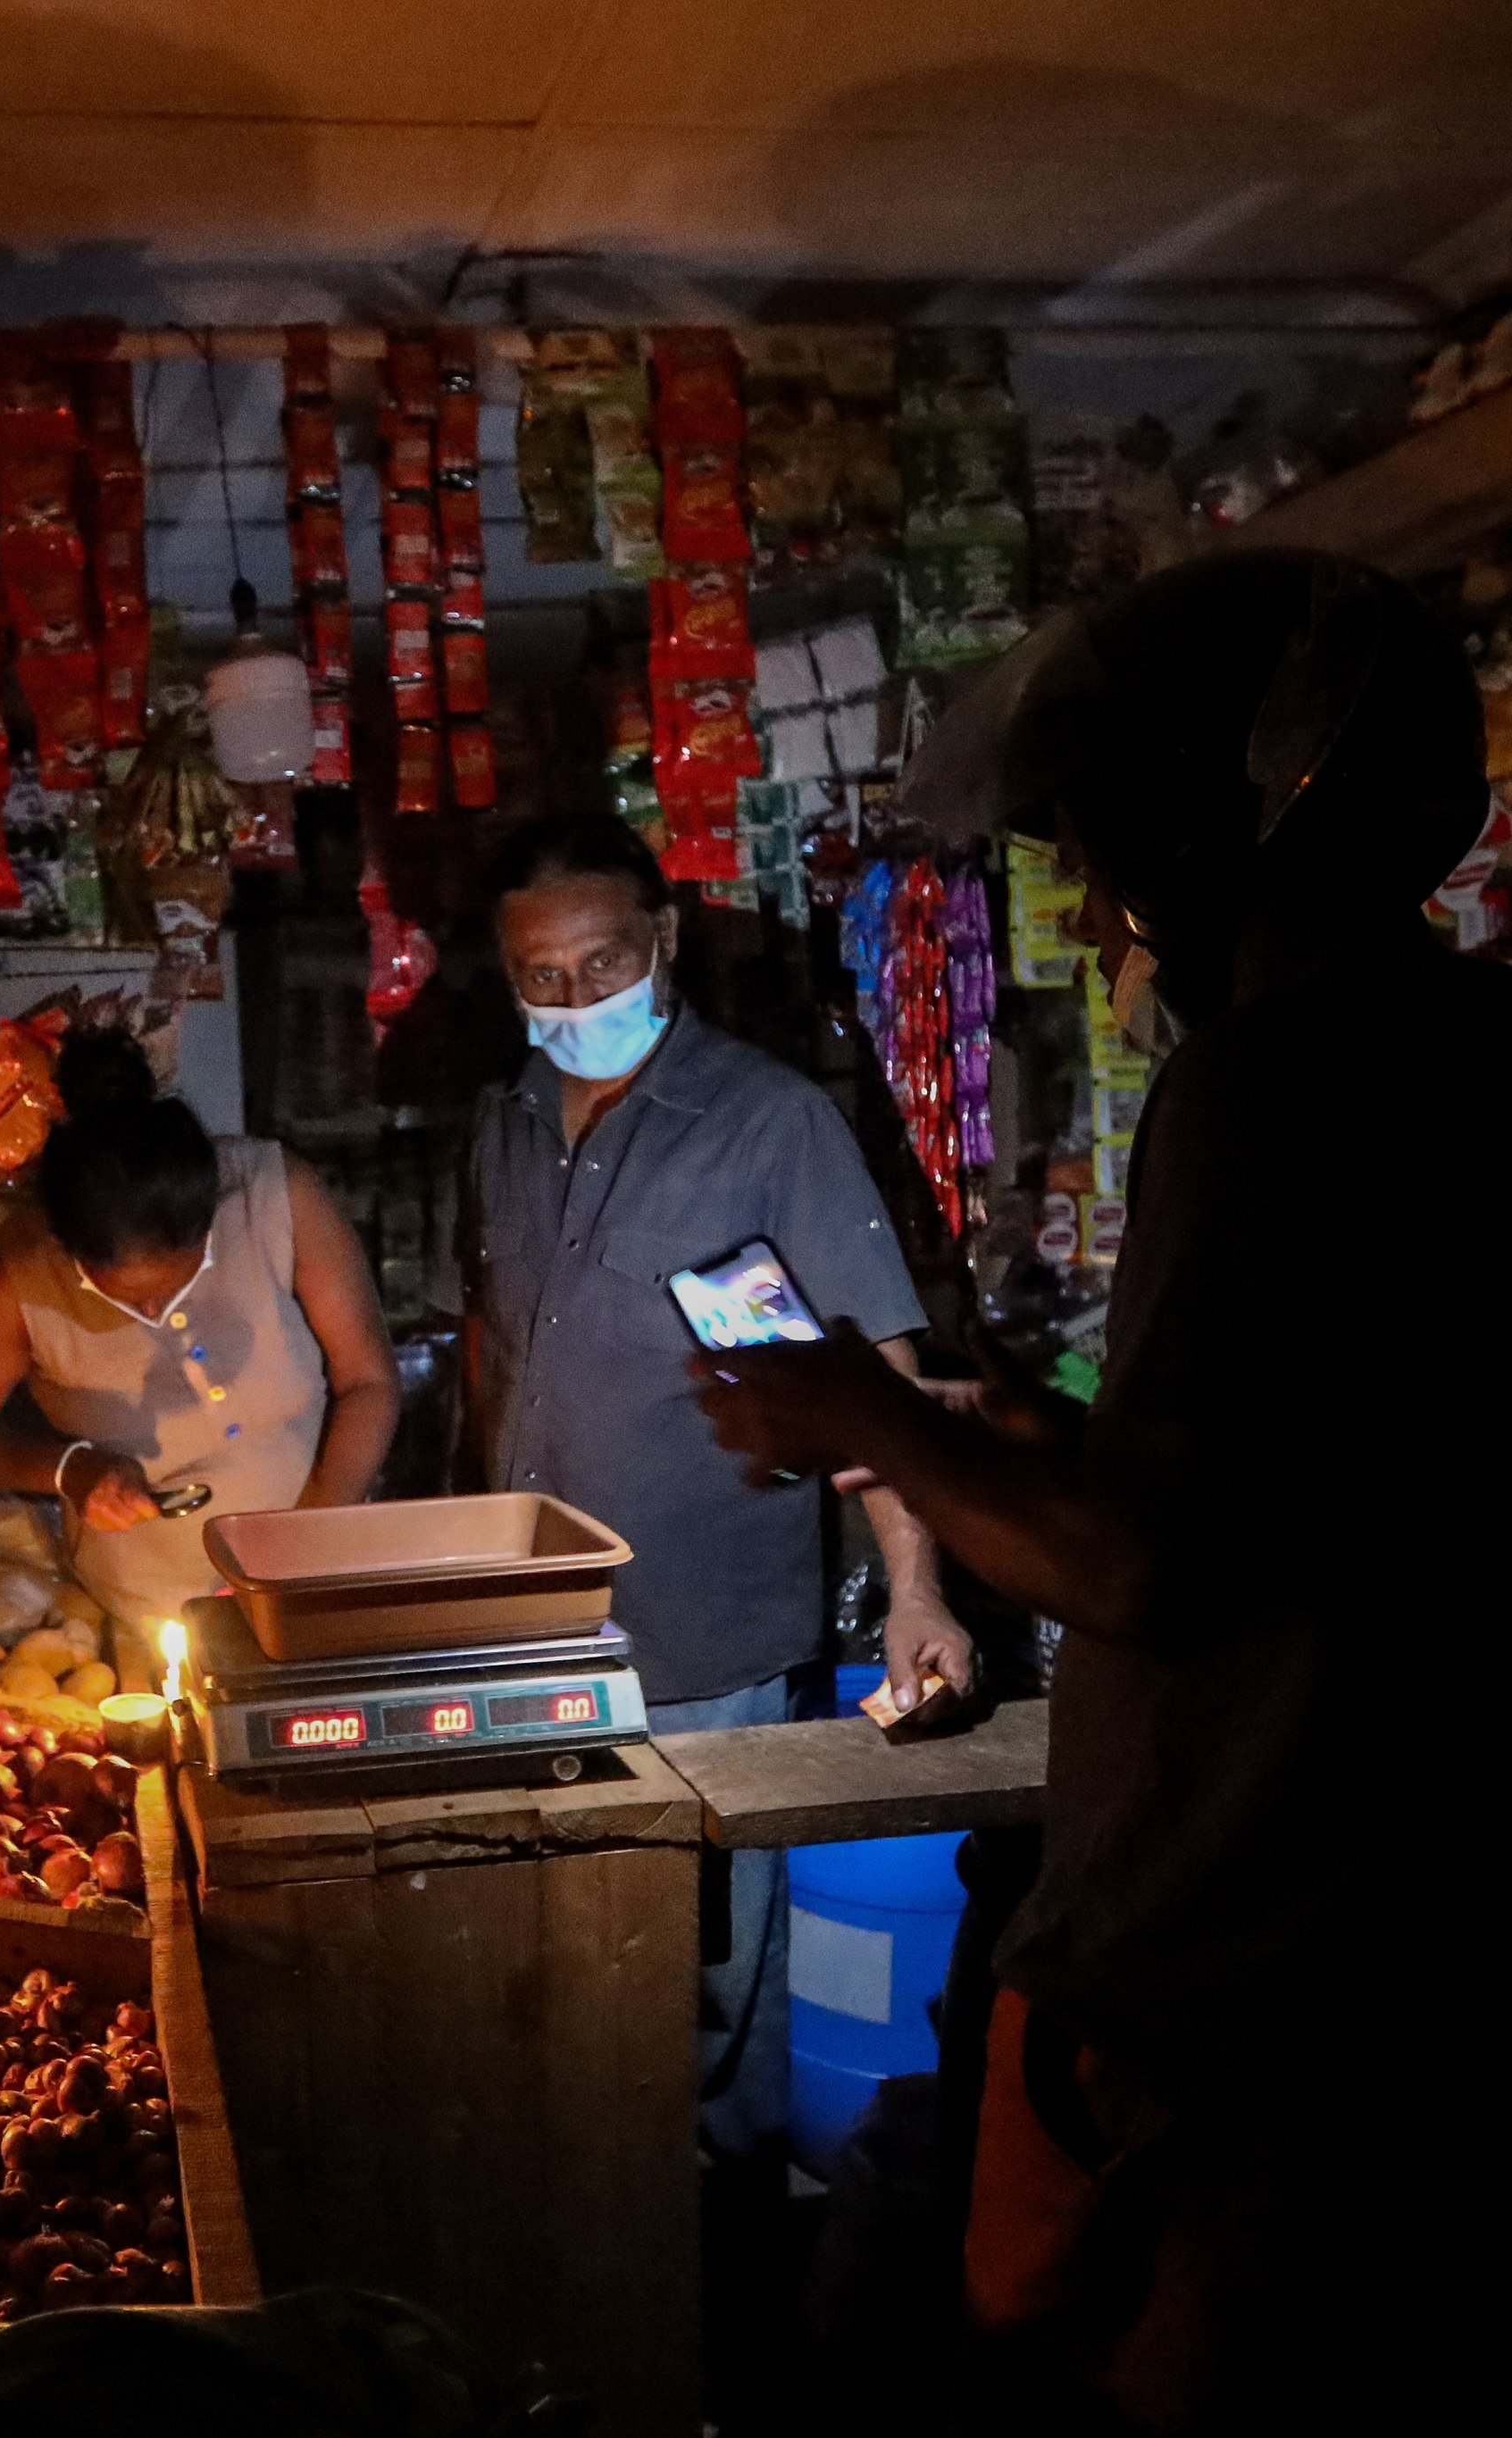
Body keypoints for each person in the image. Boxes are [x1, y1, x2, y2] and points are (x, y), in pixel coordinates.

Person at [688, 550, 1512, 2431]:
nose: (1091, 894)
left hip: (1263, 2047)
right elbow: (1323, 1500)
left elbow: (1138, 1565)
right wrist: (1019, 1432)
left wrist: (869, 1415)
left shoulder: (1268, 1087)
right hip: (1490, 1997)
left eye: (1097, 837)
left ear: (1222, 824)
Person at [433, 809, 969, 2165]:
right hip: (532, 1643)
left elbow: (877, 1375)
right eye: (540, 979)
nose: (574, 1001)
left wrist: (915, 1586)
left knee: (714, 1994)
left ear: (661, 940)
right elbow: (494, 1365)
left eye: (601, 965)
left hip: (706, 1644)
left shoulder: (765, 1125)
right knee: (568, 1977)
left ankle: (723, 2295)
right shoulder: (497, 1126)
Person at [0, 1031, 399, 1630]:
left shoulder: (269, 1195)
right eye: (123, 1296)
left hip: (314, 1577)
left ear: (209, 1217)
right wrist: (72, 1469)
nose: (155, 1309)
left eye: (178, 1279)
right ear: (63, 1244)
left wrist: (312, 1532)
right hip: (148, 1608)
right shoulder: (18, 1273)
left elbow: (368, 1381)